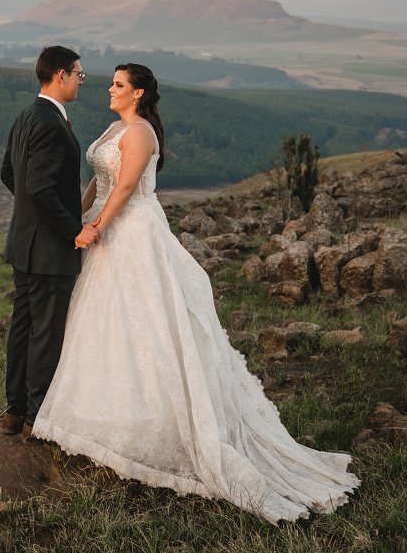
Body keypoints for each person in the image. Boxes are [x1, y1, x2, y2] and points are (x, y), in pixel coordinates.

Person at [31, 63, 359, 524]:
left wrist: (98, 226)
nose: (109, 88)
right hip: (103, 227)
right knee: (105, 322)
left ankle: (157, 424)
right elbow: (99, 183)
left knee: (148, 323)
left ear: (138, 93)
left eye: (118, 85)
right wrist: (77, 217)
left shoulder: (142, 133)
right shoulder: (113, 127)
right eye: (112, 83)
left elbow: (125, 188)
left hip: (133, 231)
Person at [0, 45, 99, 437]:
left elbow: (9, 174)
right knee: (45, 331)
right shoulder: (51, 124)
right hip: (48, 250)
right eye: (78, 74)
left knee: (22, 327)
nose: (80, 81)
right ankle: (36, 419)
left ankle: (14, 410)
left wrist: (28, 214)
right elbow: (39, 189)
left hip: (24, 243)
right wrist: (73, 229)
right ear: (60, 74)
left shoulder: (27, 115)